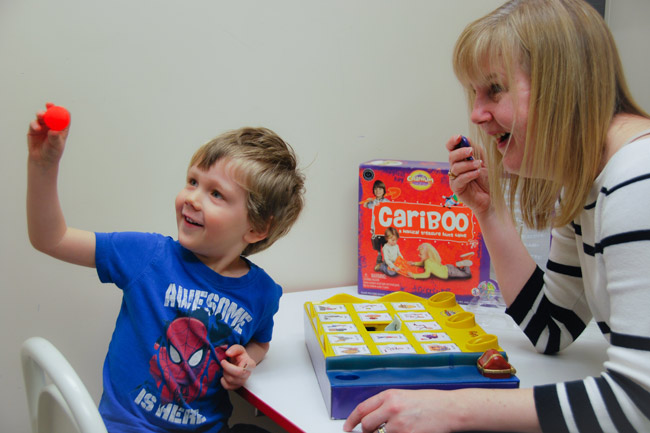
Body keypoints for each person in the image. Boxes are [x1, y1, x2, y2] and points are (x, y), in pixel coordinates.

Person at [344, 0, 650, 432]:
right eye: (474, 93)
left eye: (494, 90)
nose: (476, 113)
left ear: (562, 86)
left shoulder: (639, 178)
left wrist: (453, 408)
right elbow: (551, 328)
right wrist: (488, 212)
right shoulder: (586, 180)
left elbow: (639, 401)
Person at [26, 105, 305, 433]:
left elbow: (261, 341)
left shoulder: (263, 293)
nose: (192, 198)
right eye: (192, 181)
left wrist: (248, 360)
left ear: (257, 228)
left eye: (215, 193)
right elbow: (51, 238)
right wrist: (43, 166)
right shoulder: (146, 255)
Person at [407, 243, 471, 280]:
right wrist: (414, 263)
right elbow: (423, 263)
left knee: (467, 274)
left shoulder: (428, 263)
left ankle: (466, 262)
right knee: (461, 271)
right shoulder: (429, 259)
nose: (419, 255)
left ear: (428, 254)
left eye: (421, 254)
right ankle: (463, 261)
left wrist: (414, 275)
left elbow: (426, 275)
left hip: (449, 272)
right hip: (448, 268)